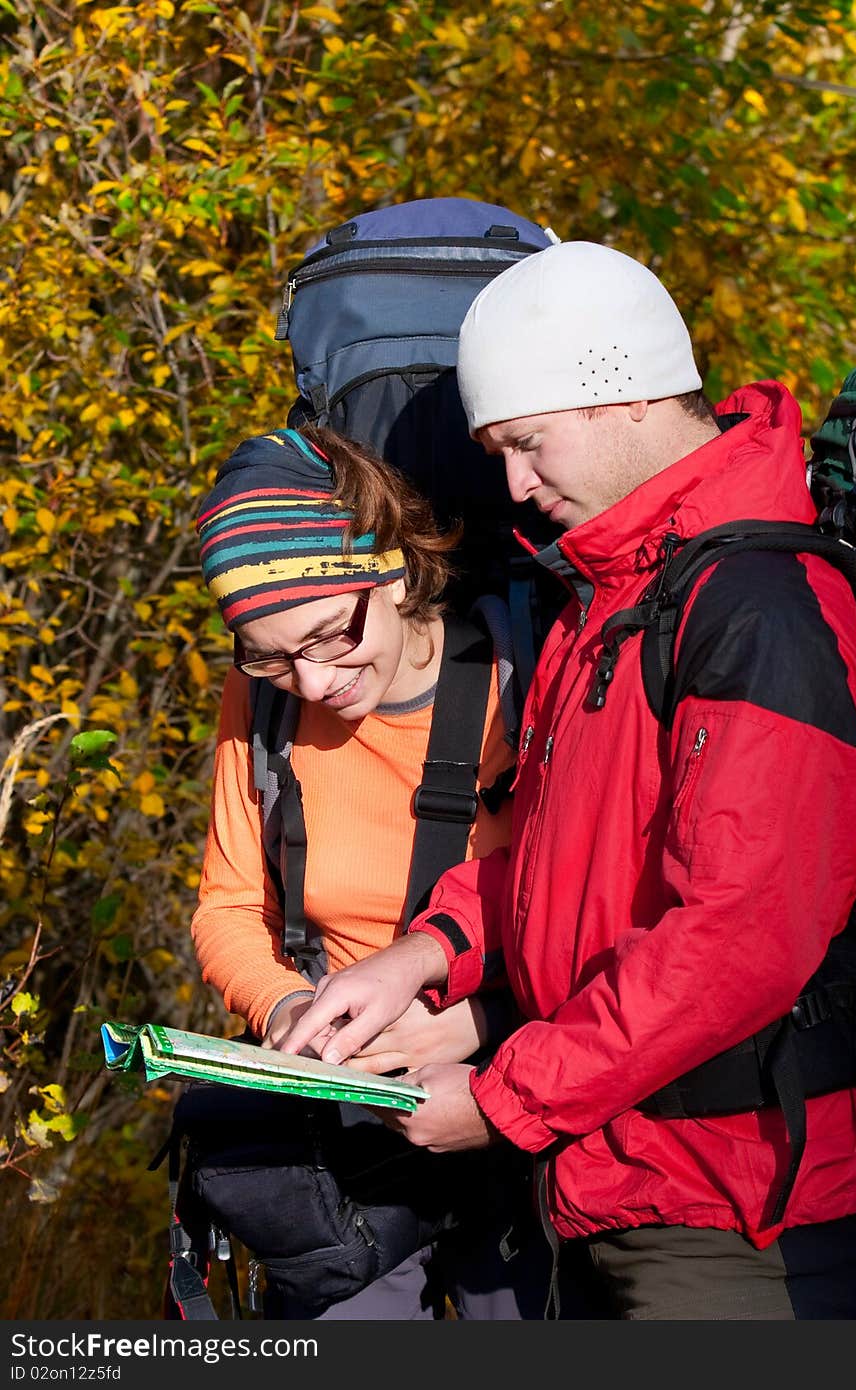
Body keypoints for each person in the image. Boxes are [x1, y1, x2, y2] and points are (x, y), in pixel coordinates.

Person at [282, 241, 856, 1320]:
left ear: (618, 389)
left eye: (526, 442)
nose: (513, 483)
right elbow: (553, 860)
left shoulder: (761, 606)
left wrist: (507, 1099)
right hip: (606, 1177)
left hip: (737, 1212)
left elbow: (741, 934)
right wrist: (423, 956)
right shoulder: (604, 598)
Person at [191, 420, 556, 1320]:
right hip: (342, 1137)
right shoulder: (264, 703)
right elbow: (228, 906)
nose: (311, 684)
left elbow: (593, 908)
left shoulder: (527, 680)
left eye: (327, 635)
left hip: (507, 1092)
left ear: (391, 569)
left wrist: (480, 1021)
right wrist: (286, 1012)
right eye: (270, 654)